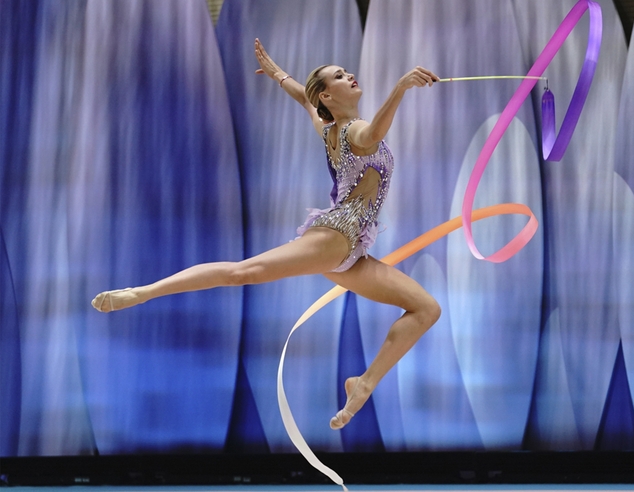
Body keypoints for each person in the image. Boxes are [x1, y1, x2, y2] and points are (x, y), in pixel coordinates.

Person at [91, 38, 442, 430]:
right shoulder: (352, 130)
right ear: (329, 94)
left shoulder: (329, 125)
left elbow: (305, 100)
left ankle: (363, 383)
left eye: (346, 72)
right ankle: (142, 293)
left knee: (426, 309)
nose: (350, 75)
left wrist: (278, 74)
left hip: (350, 253)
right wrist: (400, 88)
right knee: (244, 272)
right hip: (333, 238)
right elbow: (372, 134)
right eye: (340, 76)